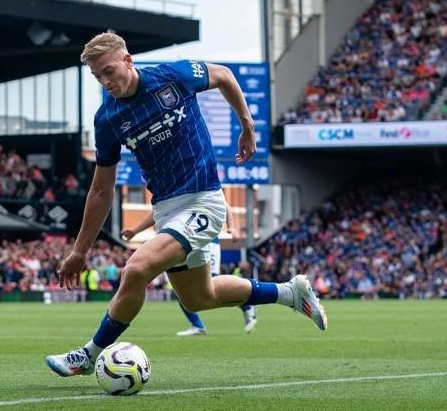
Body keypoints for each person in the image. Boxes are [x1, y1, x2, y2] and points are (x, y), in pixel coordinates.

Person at [46, 31, 327, 378]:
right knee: (199, 298)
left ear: (128, 61)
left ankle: (88, 356)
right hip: (167, 211)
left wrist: (247, 125)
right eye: (97, 76)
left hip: (203, 201)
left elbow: (224, 75)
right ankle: (289, 293)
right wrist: (79, 251)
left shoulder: (173, 76)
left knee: (136, 269)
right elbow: (101, 190)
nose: (105, 81)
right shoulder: (107, 119)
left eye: (108, 71)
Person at [121, 203, 258, 335]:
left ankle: (247, 303)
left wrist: (232, 227)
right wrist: (136, 230)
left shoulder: (197, 188)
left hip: (204, 238)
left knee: (211, 284)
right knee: (181, 286)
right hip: (180, 240)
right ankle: (198, 325)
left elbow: (223, 202)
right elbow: (157, 212)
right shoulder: (166, 194)